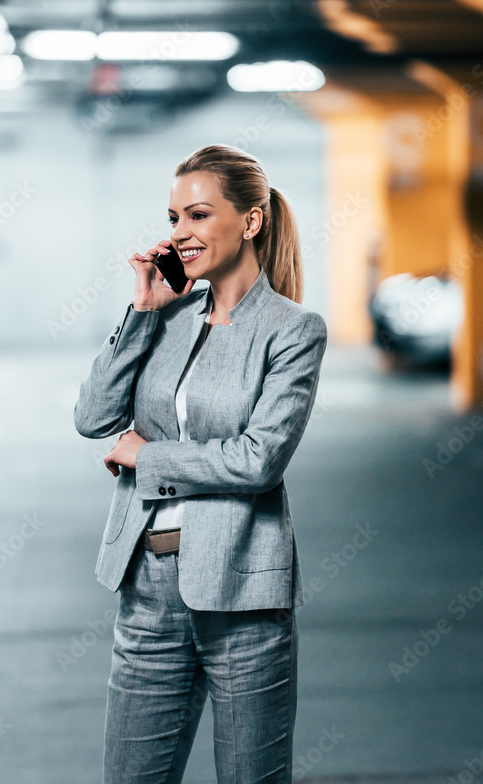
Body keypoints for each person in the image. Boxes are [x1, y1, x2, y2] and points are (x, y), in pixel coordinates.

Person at [74, 143, 328, 784]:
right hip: (147, 592)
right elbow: (93, 416)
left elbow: (258, 461)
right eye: (172, 219)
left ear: (251, 220)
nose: (180, 234)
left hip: (242, 594)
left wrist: (147, 455)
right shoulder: (168, 317)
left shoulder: (292, 330)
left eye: (197, 215)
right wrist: (141, 312)